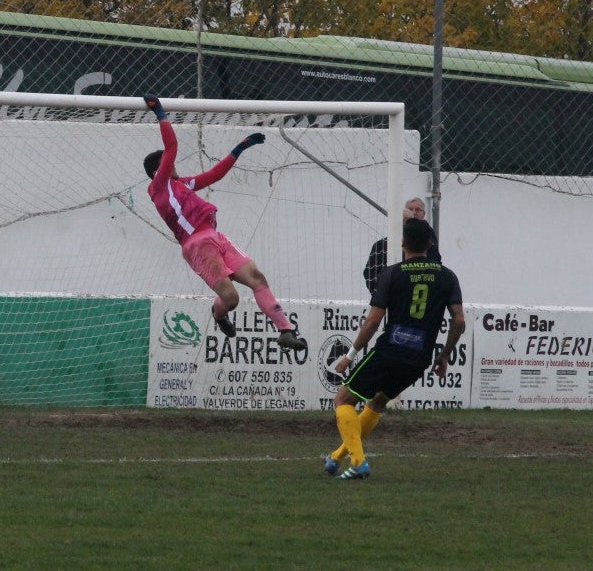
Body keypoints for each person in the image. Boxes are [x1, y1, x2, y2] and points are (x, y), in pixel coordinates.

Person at [142, 94, 305, 351]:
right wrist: (160, 113)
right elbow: (171, 147)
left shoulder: (181, 184)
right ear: (158, 169)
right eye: (168, 162)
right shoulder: (159, 185)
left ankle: (285, 330)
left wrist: (239, 148)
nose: (174, 164)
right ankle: (218, 314)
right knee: (231, 299)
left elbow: (214, 175)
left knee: (258, 278)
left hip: (215, 236)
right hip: (197, 245)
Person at [326, 217, 465, 480]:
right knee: (377, 401)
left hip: (390, 351)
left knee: (343, 399)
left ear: (403, 243)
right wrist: (444, 355)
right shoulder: (448, 277)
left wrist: (350, 355)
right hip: (419, 358)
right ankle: (336, 457)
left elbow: (374, 321)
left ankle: (358, 462)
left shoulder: (393, 274)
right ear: (430, 243)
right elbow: (459, 320)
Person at [362, 197, 441, 295]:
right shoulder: (381, 245)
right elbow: (370, 273)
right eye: (410, 209)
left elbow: (436, 261)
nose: (414, 212)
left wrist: (413, 220)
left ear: (424, 214)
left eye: (417, 210)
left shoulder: (429, 241)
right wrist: (380, 295)